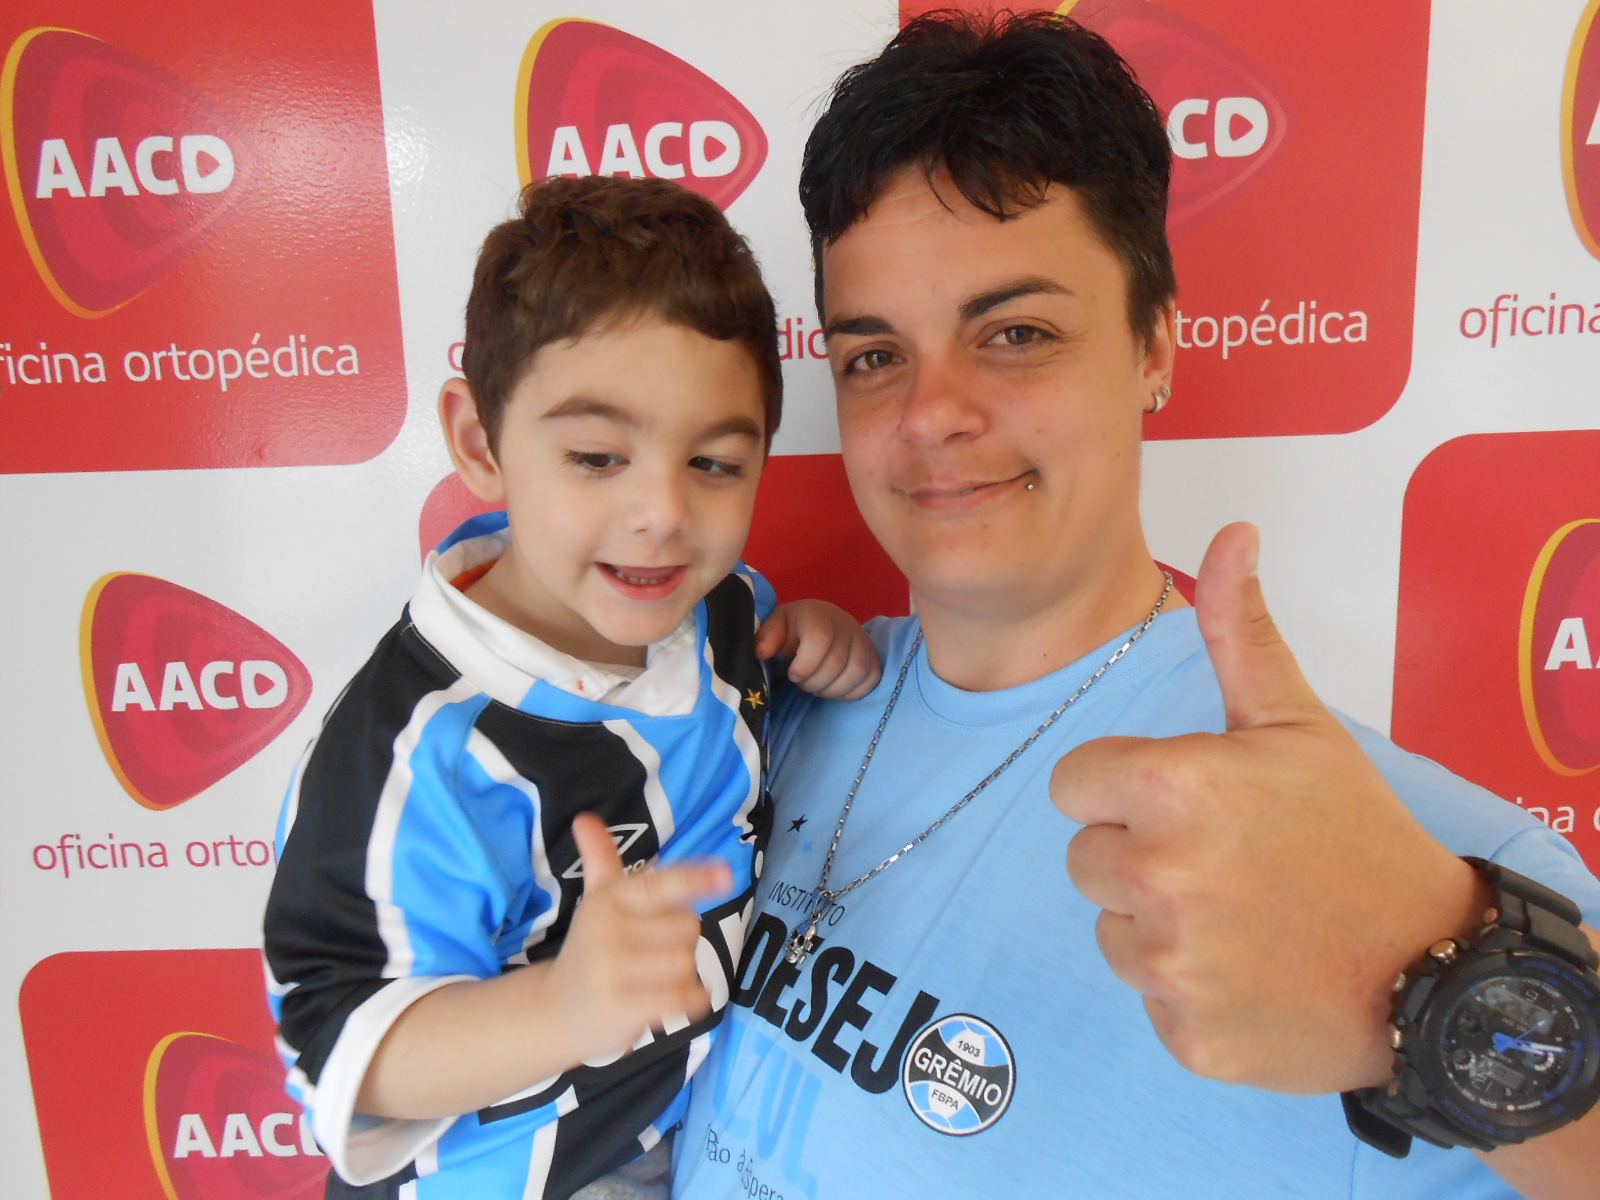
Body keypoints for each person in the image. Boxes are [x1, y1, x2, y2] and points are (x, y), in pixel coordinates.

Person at [673, 13, 1600, 1200]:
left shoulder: (1398, 852)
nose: (929, 413)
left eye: (1014, 333)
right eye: (873, 355)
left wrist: (1428, 978)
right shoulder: (774, 705)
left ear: (1155, 341)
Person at [262, 175, 879, 1200]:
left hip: (700, 1139)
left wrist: (810, 641)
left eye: (716, 464)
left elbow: (746, 682)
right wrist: (562, 1011)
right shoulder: (417, 756)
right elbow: (341, 1046)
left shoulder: (720, 610)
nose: (661, 513)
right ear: (477, 442)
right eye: (596, 456)